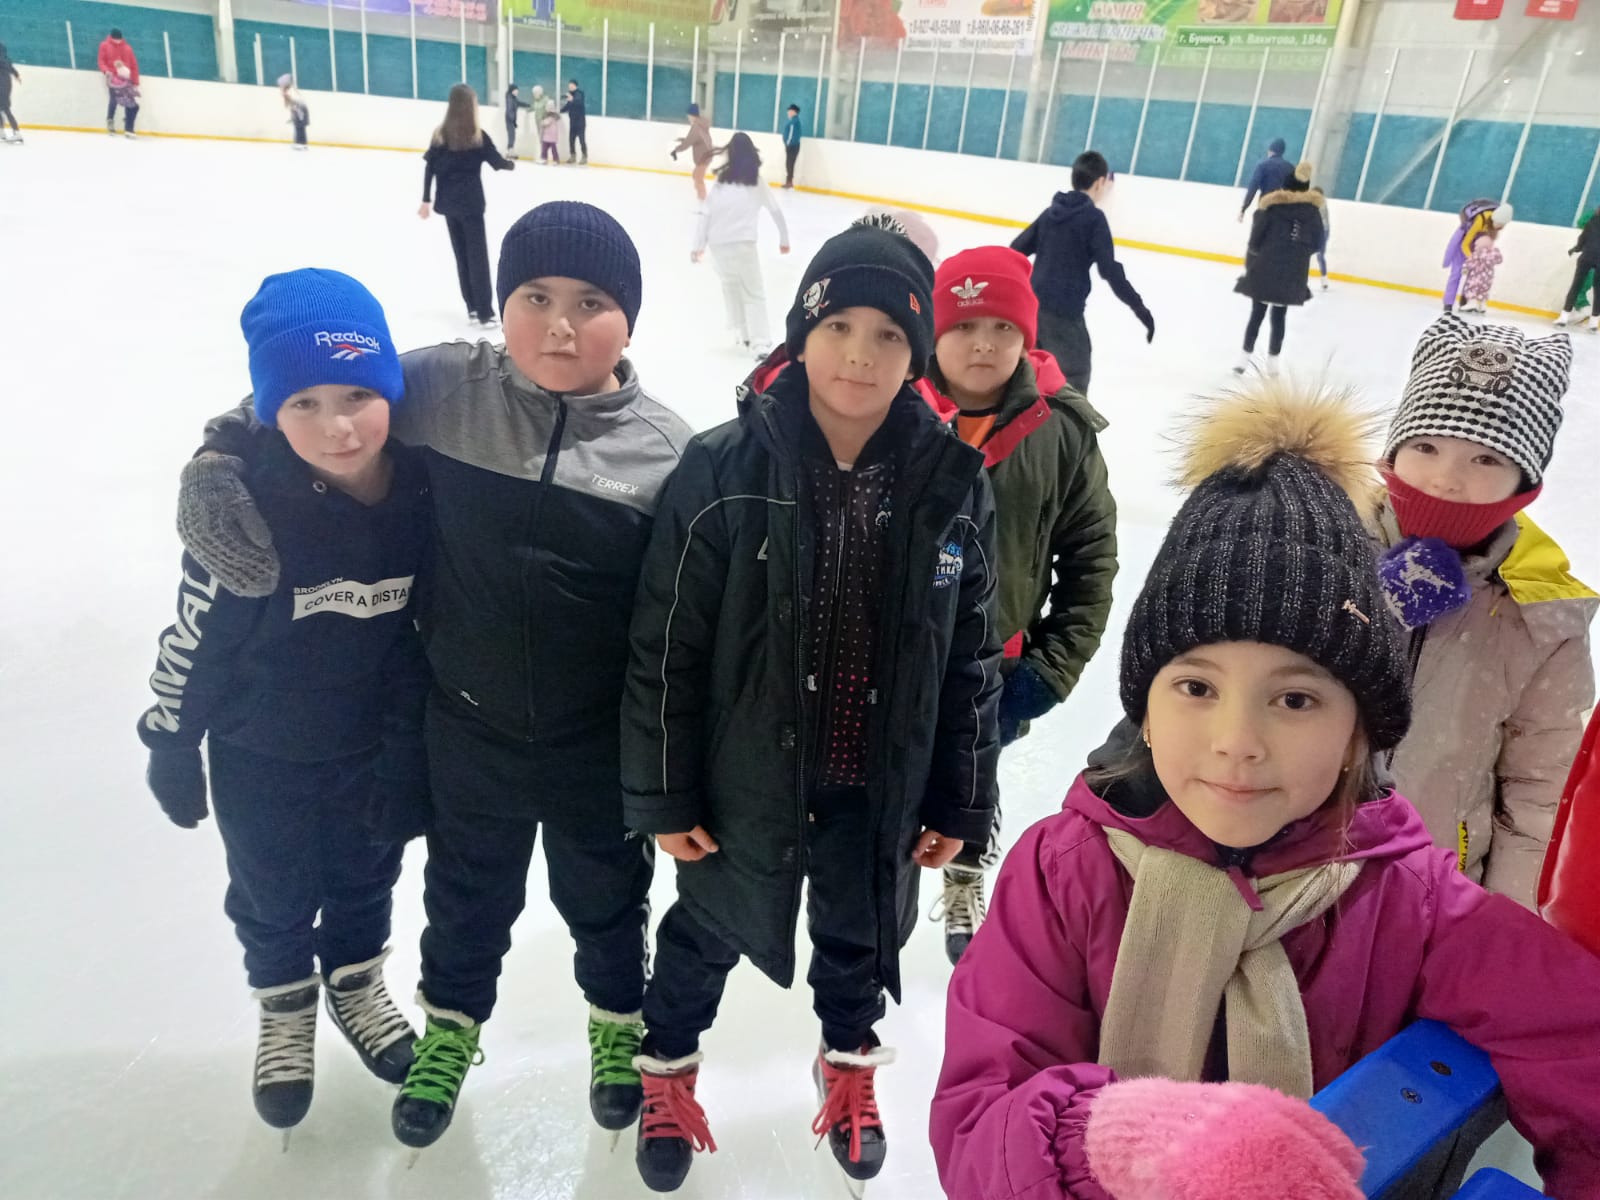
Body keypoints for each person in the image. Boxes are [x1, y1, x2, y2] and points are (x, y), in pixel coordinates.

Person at [930, 379, 1600, 1200]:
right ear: (1145, 712)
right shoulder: (1063, 874)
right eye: (1196, 688)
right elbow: (979, 1126)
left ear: (1359, 732)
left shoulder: (1407, 897)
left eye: (1296, 700)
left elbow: (1577, 1037)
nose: (1237, 742)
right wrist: (1112, 1138)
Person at [174, 203, 694, 1152]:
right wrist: (217, 458)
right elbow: (314, 385)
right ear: (502, 303)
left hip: (595, 742)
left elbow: (681, 623)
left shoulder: (666, 452)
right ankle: (450, 1030)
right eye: (534, 297)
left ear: (632, 315)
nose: (560, 325)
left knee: (608, 899)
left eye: (591, 302)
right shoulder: (449, 386)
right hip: (466, 727)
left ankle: (619, 1027)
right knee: (465, 900)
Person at [620, 221, 1002, 1193]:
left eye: (889, 334)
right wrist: (663, 792)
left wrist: (960, 798)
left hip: (875, 781)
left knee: (859, 937)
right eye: (838, 327)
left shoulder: (952, 485)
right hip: (744, 778)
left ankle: (847, 1063)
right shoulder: (721, 469)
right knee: (704, 932)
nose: (859, 355)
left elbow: (968, 656)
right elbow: (667, 643)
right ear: (801, 333)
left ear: (917, 354)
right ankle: (666, 1070)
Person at [139, 269, 430, 1136]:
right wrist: (169, 739)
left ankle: (355, 981)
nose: (338, 426)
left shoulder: (423, 485)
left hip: (370, 744)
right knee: (270, 892)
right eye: (304, 404)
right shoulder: (245, 507)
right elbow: (195, 638)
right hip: (259, 749)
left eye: (357, 396)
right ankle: (285, 1003)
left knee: (367, 877)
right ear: (271, 412)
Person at [914, 245, 1117, 964]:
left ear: (1026, 337)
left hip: (994, 665)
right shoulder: (894, 412)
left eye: (1003, 328)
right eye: (965, 326)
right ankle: (879, 893)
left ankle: (965, 875)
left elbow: (1091, 561)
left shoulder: (1060, 432)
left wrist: (1051, 670)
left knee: (972, 779)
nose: (984, 344)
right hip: (892, 656)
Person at [1374, 314, 1594, 910]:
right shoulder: (1316, 548)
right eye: (1426, 446)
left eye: (1486, 459)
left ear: (1525, 481)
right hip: (1285, 878)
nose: (1445, 479)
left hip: (1431, 892)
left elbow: (1540, 791)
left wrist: (1498, 925)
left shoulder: (1540, 617)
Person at [1011, 151, 1154, 396]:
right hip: (1065, 314)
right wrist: (1140, 309)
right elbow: (1110, 270)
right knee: (1074, 378)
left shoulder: (1050, 214)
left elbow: (1015, 250)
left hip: (1033, 307)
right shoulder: (1093, 219)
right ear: (1099, 182)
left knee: (1032, 374)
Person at [419, 83, 516, 329]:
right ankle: (485, 312)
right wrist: (510, 164)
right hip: (471, 205)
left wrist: (426, 200)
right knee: (477, 258)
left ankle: (472, 307)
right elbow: (497, 163)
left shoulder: (440, 136)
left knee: (461, 255)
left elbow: (429, 169)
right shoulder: (477, 136)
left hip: (448, 205)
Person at [692, 132, 790, 359]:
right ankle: (760, 343)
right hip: (743, 244)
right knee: (753, 293)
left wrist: (699, 245)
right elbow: (775, 210)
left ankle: (744, 334)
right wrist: (784, 239)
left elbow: (706, 214)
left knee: (733, 288)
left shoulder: (721, 182)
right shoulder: (756, 181)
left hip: (719, 246)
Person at [1233, 160, 1323, 377]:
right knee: (1279, 316)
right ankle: (1273, 363)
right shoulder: (1312, 213)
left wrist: (1258, 254)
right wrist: (1299, 254)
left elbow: (1255, 240)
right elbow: (1317, 243)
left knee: (1257, 313)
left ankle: (1243, 360)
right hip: (1293, 271)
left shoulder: (1271, 208)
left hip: (1267, 265)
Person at [1442, 199, 1512, 312]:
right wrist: (1472, 258)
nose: (1499, 228)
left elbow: (1490, 243)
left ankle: (1466, 301)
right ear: (1494, 220)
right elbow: (1465, 243)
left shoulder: (1494, 227)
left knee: (1474, 275)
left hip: (1478, 246)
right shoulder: (1480, 219)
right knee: (1457, 272)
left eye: (1502, 226)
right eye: (1499, 225)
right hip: (1463, 242)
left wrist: (1484, 256)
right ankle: (1448, 302)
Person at [1555, 207, 1599, 329]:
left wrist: (1576, 249)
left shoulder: (1591, 222)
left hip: (1587, 257)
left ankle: (1564, 317)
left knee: (1576, 287)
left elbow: (1582, 239)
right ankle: (1594, 323)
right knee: (1598, 292)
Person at [98, 28, 139, 136]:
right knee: (114, 99)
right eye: (115, 39)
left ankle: (128, 126)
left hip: (126, 79)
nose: (117, 41)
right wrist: (106, 70)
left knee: (130, 102)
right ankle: (110, 120)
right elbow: (101, 60)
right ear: (111, 38)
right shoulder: (104, 45)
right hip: (113, 78)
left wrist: (135, 81)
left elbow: (134, 65)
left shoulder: (127, 48)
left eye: (119, 39)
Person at [671, 103, 716, 201]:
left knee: (698, 179)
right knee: (696, 176)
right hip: (705, 156)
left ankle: (703, 200)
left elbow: (688, 142)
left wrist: (676, 150)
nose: (688, 117)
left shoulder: (697, 127)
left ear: (692, 115)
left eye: (688, 115)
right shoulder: (700, 125)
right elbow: (693, 140)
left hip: (704, 157)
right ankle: (701, 197)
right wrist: (683, 140)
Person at [1239, 136, 1293, 218]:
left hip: (1265, 206)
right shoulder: (1290, 168)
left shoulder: (1263, 166)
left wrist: (1244, 208)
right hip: (1282, 209)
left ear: (1270, 151)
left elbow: (1253, 187)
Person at [1460, 224, 1502, 314]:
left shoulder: (1477, 254)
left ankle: (1472, 303)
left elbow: (1470, 262)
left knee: (1472, 289)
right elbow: (1499, 260)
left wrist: (1465, 268)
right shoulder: (1492, 253)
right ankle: (1482, 306)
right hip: (1487, 279)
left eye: (1476, 245)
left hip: (1476, 277)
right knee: (1484, 291)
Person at [278, 74, 309, 150]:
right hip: (299, 108)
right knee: (299, 126)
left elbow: (289, 103)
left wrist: (283, 94)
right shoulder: (292, 89)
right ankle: (302, 143)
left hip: (300, 108)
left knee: (299, 126)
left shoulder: (289, 91)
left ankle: (300, 143)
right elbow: (290, 104)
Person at [562, 79, 587, 164]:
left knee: (582, 140)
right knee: (571, 140)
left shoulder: (580, 93)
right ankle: (573, 156)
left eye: (572, 86)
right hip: (573, 122)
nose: (570, 87)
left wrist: (571, 99)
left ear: (576, 86)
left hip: (580, 122)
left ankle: (584, 156)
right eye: (569, 86)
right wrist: (560, 111)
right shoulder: (570, 95)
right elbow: (568, 106)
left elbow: (578, 102)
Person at [0, 40, 20, 144]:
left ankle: (17, 133)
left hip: (2, 86)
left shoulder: (2, 60)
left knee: (6, 109)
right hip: (5, 85)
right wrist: (16, 75)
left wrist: (16, 75)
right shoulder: (6, 59)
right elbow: (11, 68)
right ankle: (2, 132)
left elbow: (9, 68)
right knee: (2, 109)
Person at [503, 82, 531, 155]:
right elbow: (509, 110)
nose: (517, 92)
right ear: (512, 91)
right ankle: (509, 151)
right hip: (509, 119)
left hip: (511, 119)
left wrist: (527, 105)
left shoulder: (513, 98)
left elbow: (519, 103)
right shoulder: (510, 99)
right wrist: (513, 120)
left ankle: (510, 150)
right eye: (516, 90)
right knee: (511, 135)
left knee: (512, 135)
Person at [782, 103, 803, 188]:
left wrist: (788, 143)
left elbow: (791, 134)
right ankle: (789, 181)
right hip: (793, 145)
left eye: (789, 111)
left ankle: (789, 182)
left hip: (792, 146)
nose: (788, 112)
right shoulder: (795, 121)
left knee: (789, 164)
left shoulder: (793, 122)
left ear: (793, 112)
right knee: (789, 163)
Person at [539, 94, 561, 164]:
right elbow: (543, 122)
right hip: (546, 134)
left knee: (553, 148)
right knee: (544, 147)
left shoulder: (554, 115)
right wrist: (542, 123)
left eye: (550, 107)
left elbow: (547, 122)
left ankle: (556, 160)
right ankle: (544, 158)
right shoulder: (546, 114)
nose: (548, 108)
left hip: (552, 134)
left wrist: (543, 122)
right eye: (547, 106)